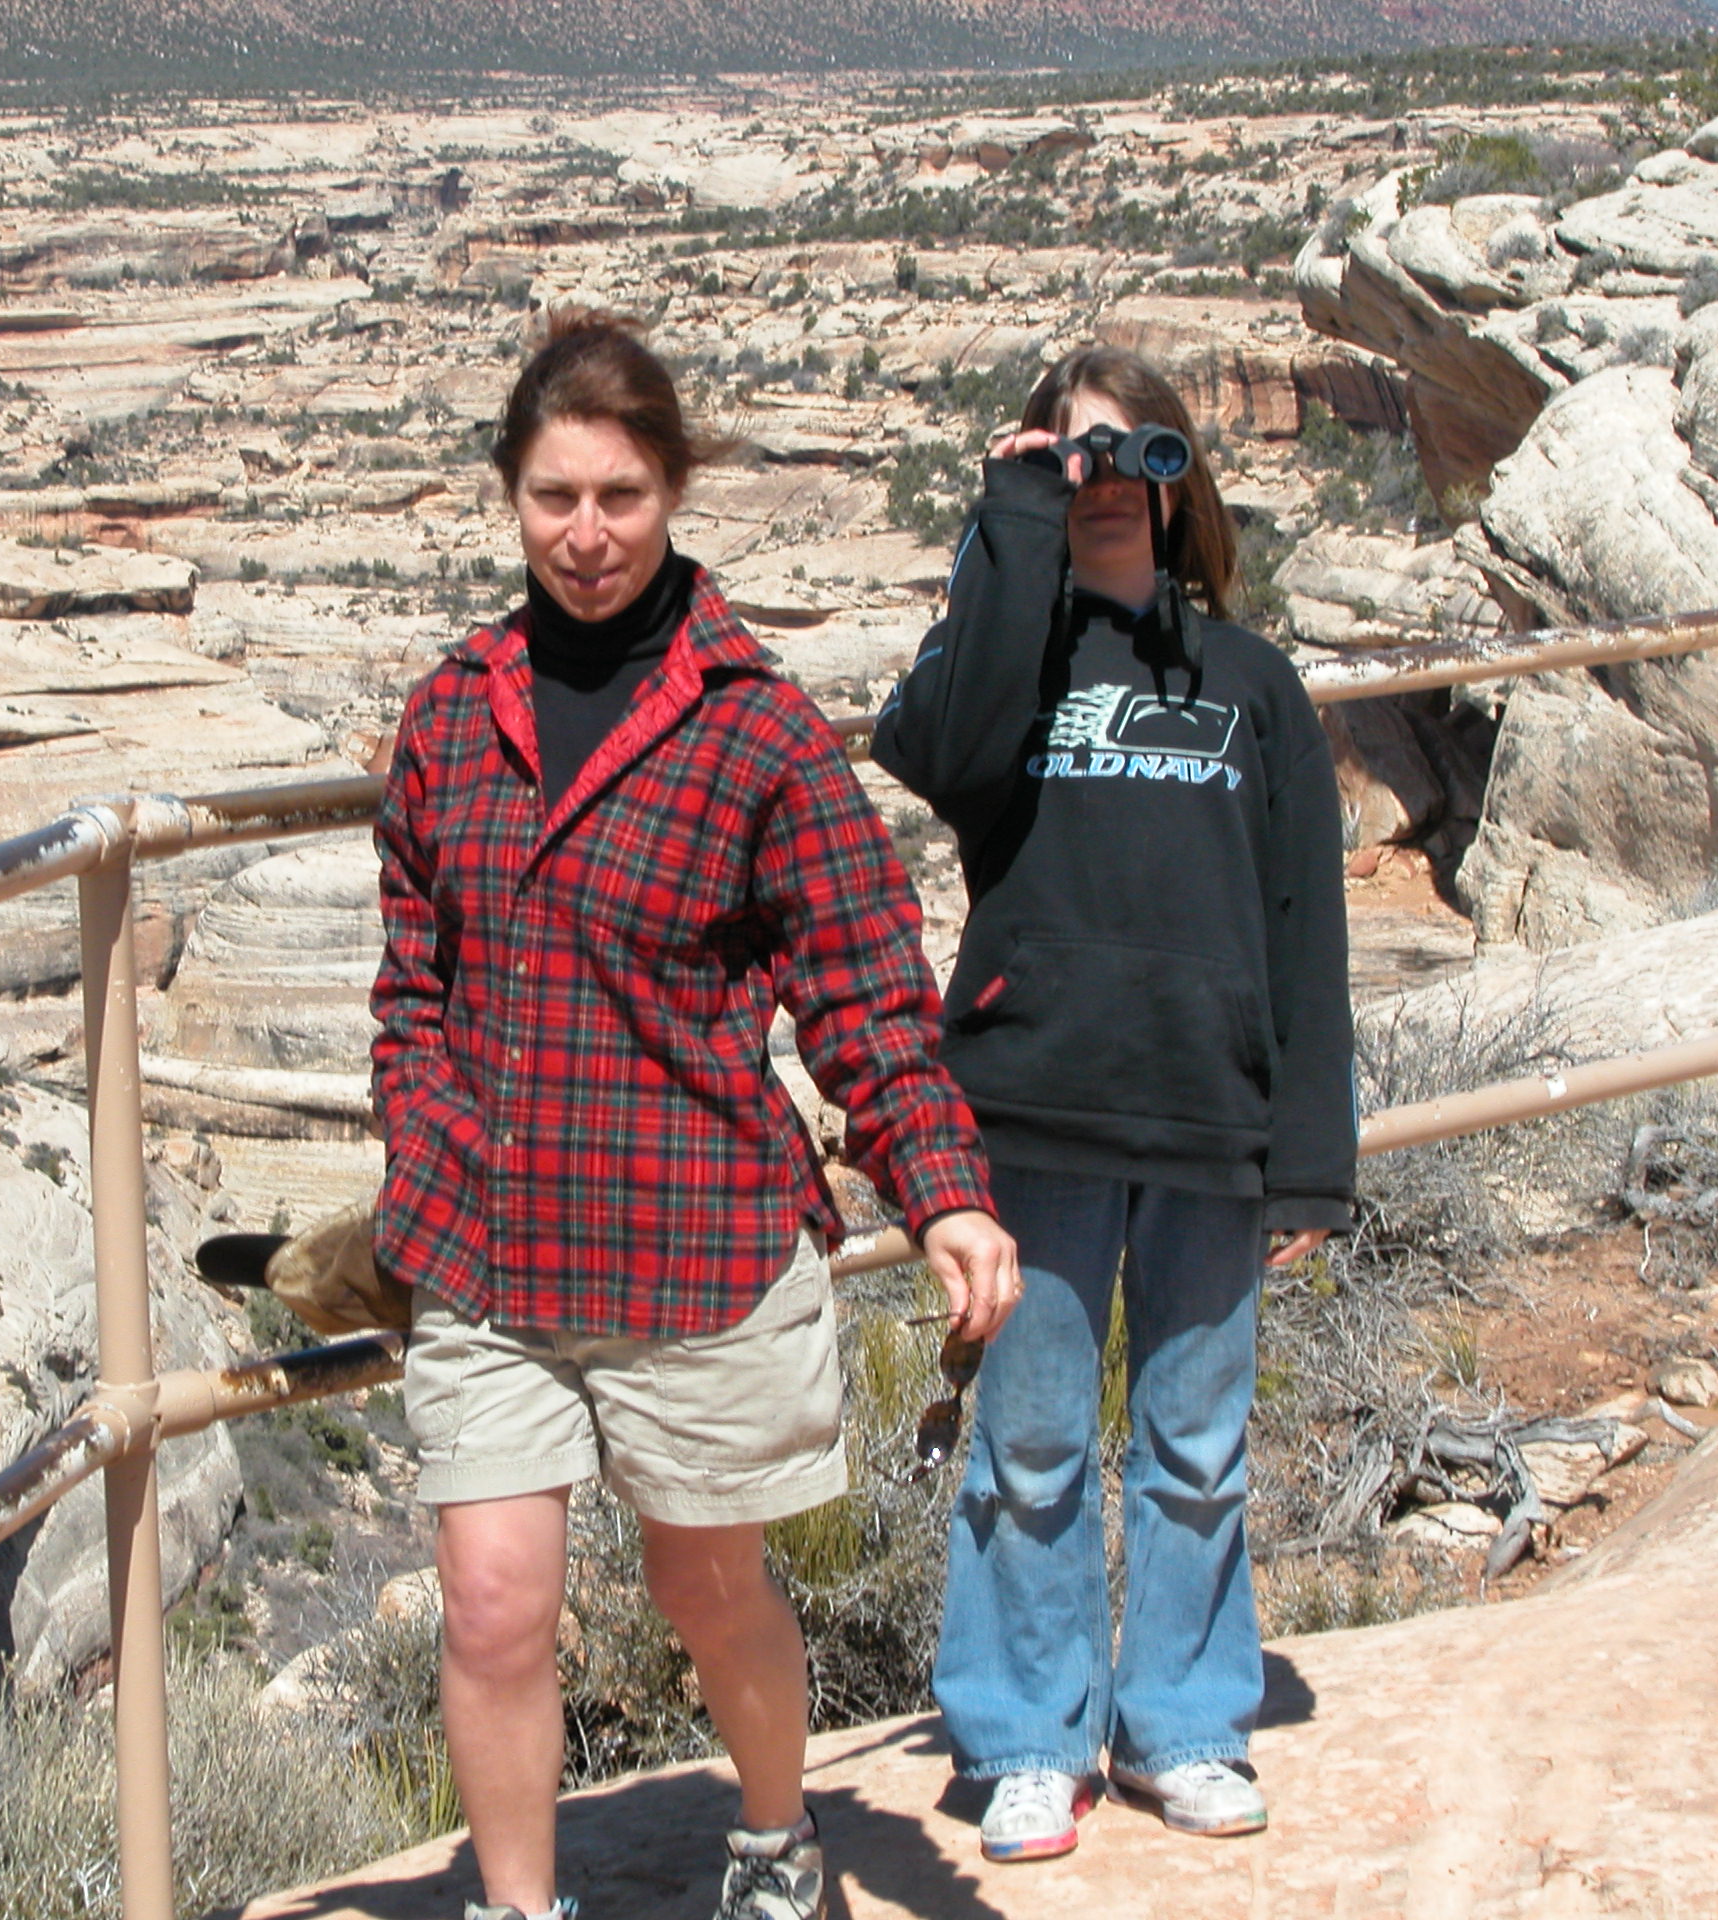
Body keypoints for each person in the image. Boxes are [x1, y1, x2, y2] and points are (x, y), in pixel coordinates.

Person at [371, 312, 1021, 1920]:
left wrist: (940, 1189)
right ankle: (517, 1908)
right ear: (509, 500)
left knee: (707, 1584)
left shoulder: (758, 732)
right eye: (553, 497)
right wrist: (427, 1133)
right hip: (490, 1242)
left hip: (689, 1242)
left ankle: (778, 1834)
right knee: (493, 1605)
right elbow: (411, 982)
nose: (585, 536)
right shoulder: (451, 719)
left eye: (620, 495)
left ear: (674, 493)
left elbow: (864, 988)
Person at [871, 345, 1355, 1862]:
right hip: (1032, 1112)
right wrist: (1011, 513)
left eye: (1128, 453)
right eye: (1069, 454)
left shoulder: (1254, 685)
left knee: (1198, 1452)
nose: (1101, 483)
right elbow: (930, 751)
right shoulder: (1002, 683)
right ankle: (1027, 1736)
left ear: (1178, 473)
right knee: (1027, 1454)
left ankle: (1187, 1722)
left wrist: (1310, 1165)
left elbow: (1305, 927)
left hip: (1210, 1120)